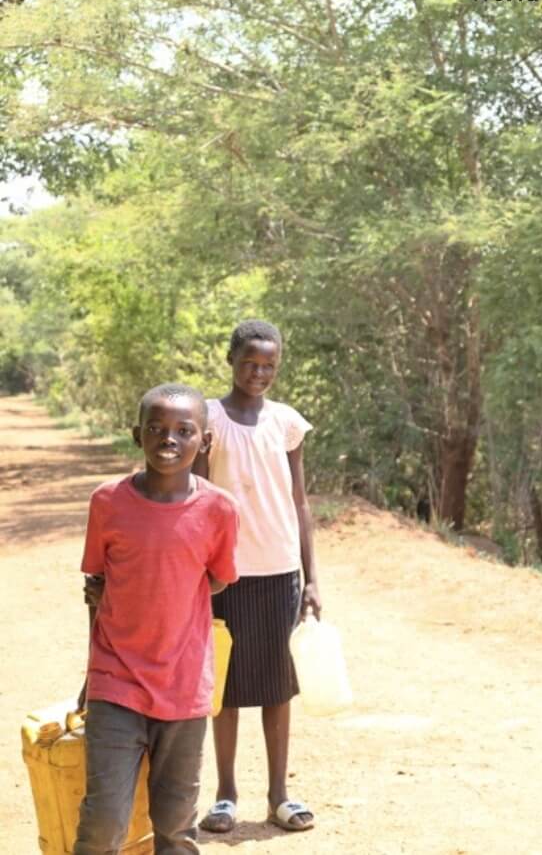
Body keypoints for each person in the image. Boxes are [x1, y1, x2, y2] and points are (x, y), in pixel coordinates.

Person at [76, 384, 239, 855]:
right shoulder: (107, 503)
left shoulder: (219, 510)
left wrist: (174, 593)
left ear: (204, 442)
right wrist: (91, 671)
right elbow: (97, 588)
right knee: (104, 822)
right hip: (116, 681)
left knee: (175, 825)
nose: (169, 439)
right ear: (136, 435)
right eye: (157, 429)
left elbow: (218, 579)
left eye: (184, 431)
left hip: (184, 688)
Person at [195, 319, 320, 834]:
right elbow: (196, 498)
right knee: (224, 686)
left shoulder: (287, 423)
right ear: (230, 359)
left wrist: (312, 579)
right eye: (250, 363)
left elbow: (300, 501)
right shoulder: (207, 418)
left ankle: (279, 795)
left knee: (276, 686)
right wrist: (195, 572)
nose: (259, 372)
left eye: (269, 365)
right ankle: (225, 794)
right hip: (224, 575)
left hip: (280, 570)